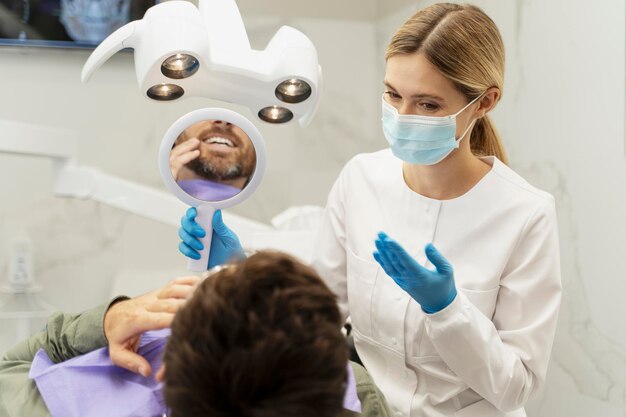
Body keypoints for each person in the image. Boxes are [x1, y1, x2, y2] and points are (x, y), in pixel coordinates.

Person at [178, 3, 562, 417]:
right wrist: (239, 272)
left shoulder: (526, 214)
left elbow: (516, 387)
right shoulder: (361, 179)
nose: (401, 116)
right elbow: (318, 316)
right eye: (393, 94)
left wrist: (448, 310)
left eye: (428, 105)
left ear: (484, 102)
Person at [0, 251, 390, 417]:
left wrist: (106, 321)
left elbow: (11, 367)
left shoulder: (30, 403)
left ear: (167, 373)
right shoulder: (356, 394)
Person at [170, 119, 257, 201]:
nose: (224, 121)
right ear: (177, 139)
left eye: (240, 117)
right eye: (204, 112)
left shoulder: (268, 216)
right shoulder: (157, 200)